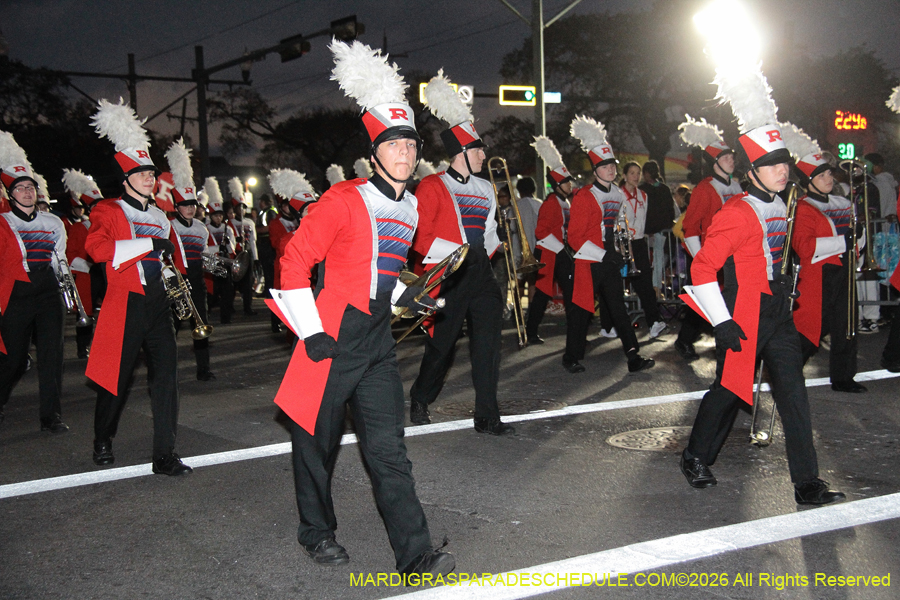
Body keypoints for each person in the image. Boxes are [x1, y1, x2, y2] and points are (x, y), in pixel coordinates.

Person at [270, 38, 454, 577]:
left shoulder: (414, 206)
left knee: (388, 450)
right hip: (330, 333)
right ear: (374, 152)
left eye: (411, 145)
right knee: (315, 443)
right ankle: (315, 531)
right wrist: (308, 332)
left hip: (376, 339)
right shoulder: (343, 198)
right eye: (394, 145)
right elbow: (293, 262)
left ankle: (415, 555)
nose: (405, 153)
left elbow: (386, 273)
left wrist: (409, 295)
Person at [678, 71, 843, 505]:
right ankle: (695, 455)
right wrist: (722, 321)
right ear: (753, 171)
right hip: (744, 313)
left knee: (793, 394)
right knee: (728, 391)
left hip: (777, 310)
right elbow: (701, 267)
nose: (783, 170)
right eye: (773, 165)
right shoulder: (737, 212)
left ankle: (807, 484)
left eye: (785, 163)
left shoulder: (783, 204)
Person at [85, 98, 191, 475]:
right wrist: (149, 245)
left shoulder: (161, 217)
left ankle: (164, 454)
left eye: (152, 174)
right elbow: (95, 249)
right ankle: (102, 437)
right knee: (117, 375)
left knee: (166, 380)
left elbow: (165, 262)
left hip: (157, 303)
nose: (151, 178)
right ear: (126, 178)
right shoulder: (108, 211)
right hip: (126, 301)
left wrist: (174, 281)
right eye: (143, 173)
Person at [407, 70, 514, 435]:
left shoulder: (485, 187)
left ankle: (487, 415)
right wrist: (456, 255)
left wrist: (490, 250)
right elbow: (420, 240)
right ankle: (421, 396)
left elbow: (486, 229)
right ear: (461, 153)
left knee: (488, 347)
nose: (485, 155)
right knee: (442, 347)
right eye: (479, 149)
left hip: (481, 273)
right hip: (449, 276)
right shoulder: (432, 186)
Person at [565, 115, 655, 374]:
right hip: (589, 260)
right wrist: (604, 255)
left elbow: (617, 225)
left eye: (613, 166)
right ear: (595, 170)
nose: (611, 170)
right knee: (582, 310)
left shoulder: (617, 193)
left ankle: (633, 356)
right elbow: (574, 237)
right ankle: (571, 356)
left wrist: (619, 247)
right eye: (605, 166)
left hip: (609, 258)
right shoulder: (584, 196)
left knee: (618, 308)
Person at [0, 131, 68, 432]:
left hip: (48, 291)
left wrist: (67, 285)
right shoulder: (3, 223)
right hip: (16, 292)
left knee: (52, 355)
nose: (28, 192)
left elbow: (60, 258)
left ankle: (50, 415)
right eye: (21, 188)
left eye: (31, 187)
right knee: (13, 357)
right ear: (9, 194)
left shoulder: (53, 222)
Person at [790, 149, 866, 393]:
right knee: (812, 329)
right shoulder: (803, 207)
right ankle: (787, 371)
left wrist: (860, 239)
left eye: (829, 173)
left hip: (843, 270)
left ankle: (844, 377)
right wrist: (845, 241)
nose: (829, 178)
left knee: (847, 324)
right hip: (819, 275)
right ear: (809, 181)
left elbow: (856, 240)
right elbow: (805, 247)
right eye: (821, 175)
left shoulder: (843, 203)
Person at [673, 115, 743, 361]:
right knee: (704, 304)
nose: (731, 160)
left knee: (727, 302)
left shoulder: (737, 188)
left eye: (732, 157)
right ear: (714, 162)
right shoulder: (704, 188)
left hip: (734, 257)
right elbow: (689, 228)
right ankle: (684, 341)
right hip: (711, 256)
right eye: (725, 157)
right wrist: (703, 258)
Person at [167, 138, 217, 381]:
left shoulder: (201, 227)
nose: (189, 209)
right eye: (185, 205)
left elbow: (206, 254)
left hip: (196, 279)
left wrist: (218, 266)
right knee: (173, 326)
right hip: (176, 281)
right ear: (177, 206)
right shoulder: (168, 226)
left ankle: (203, 368)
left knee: (201, 325)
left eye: (192, 205)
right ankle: (167, 369)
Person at [525, 136, 575, 346]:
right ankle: (531, 331)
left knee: (568, 293)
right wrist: (561, 249)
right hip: (549, 254)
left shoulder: (564, 202)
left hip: (559, 253)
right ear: (558, 185)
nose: (570, 184)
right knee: (543, 295)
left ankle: (575, 332)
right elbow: (540, 231)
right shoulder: (551, 203)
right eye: (566, 182)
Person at [620, 161, 667, 338]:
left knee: (645, 285)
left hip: (639, 243)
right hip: (622, 243)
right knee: (614, 285)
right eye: (632, 173)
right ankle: (609, 325)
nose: (635, 176)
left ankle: (654, 321)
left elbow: (642, 220)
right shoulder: (618, 195)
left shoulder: (644, 196)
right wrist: (626, 245)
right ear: (624, 176)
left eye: (638, 173)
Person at [62, 169, 104, 359]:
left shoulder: (111, 227)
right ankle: (82, 346)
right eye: (94, 207)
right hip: (88, 275)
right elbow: (70, 256)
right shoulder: (80, 228)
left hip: (107, 274)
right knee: (86, 313)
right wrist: (89, 265)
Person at [640, 160, 676, 297]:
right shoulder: (664, 189)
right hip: (661, 232)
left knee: (648, 262)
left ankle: (650, 290)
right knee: (659, 261)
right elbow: (670, 212)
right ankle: (656, 288)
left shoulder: (643, 190)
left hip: (646, 232)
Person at [204, 178, 238, 325]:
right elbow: (205, 248)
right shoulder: (205, 228)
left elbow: (232, 247)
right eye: (215, 215)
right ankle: (206, 314)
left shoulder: (228, 228)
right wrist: (218, 248)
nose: (219, 218)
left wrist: (228, 248)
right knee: (212, 293)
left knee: (227, 292)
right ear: (210, 216)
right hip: (211, 263)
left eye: (220, 215)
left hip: (225, 262)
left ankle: (226, 317)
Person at [227, 178, 258, 316]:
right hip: (236, 254)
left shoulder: (249, 222)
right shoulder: (229, 223)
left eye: (243, 207)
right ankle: (230, 305)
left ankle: (248, 307)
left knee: (248, 281)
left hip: (248, 253)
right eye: (239, 208)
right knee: (233, 282)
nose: (241, 210)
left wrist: (255, 258)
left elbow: (253, 241)